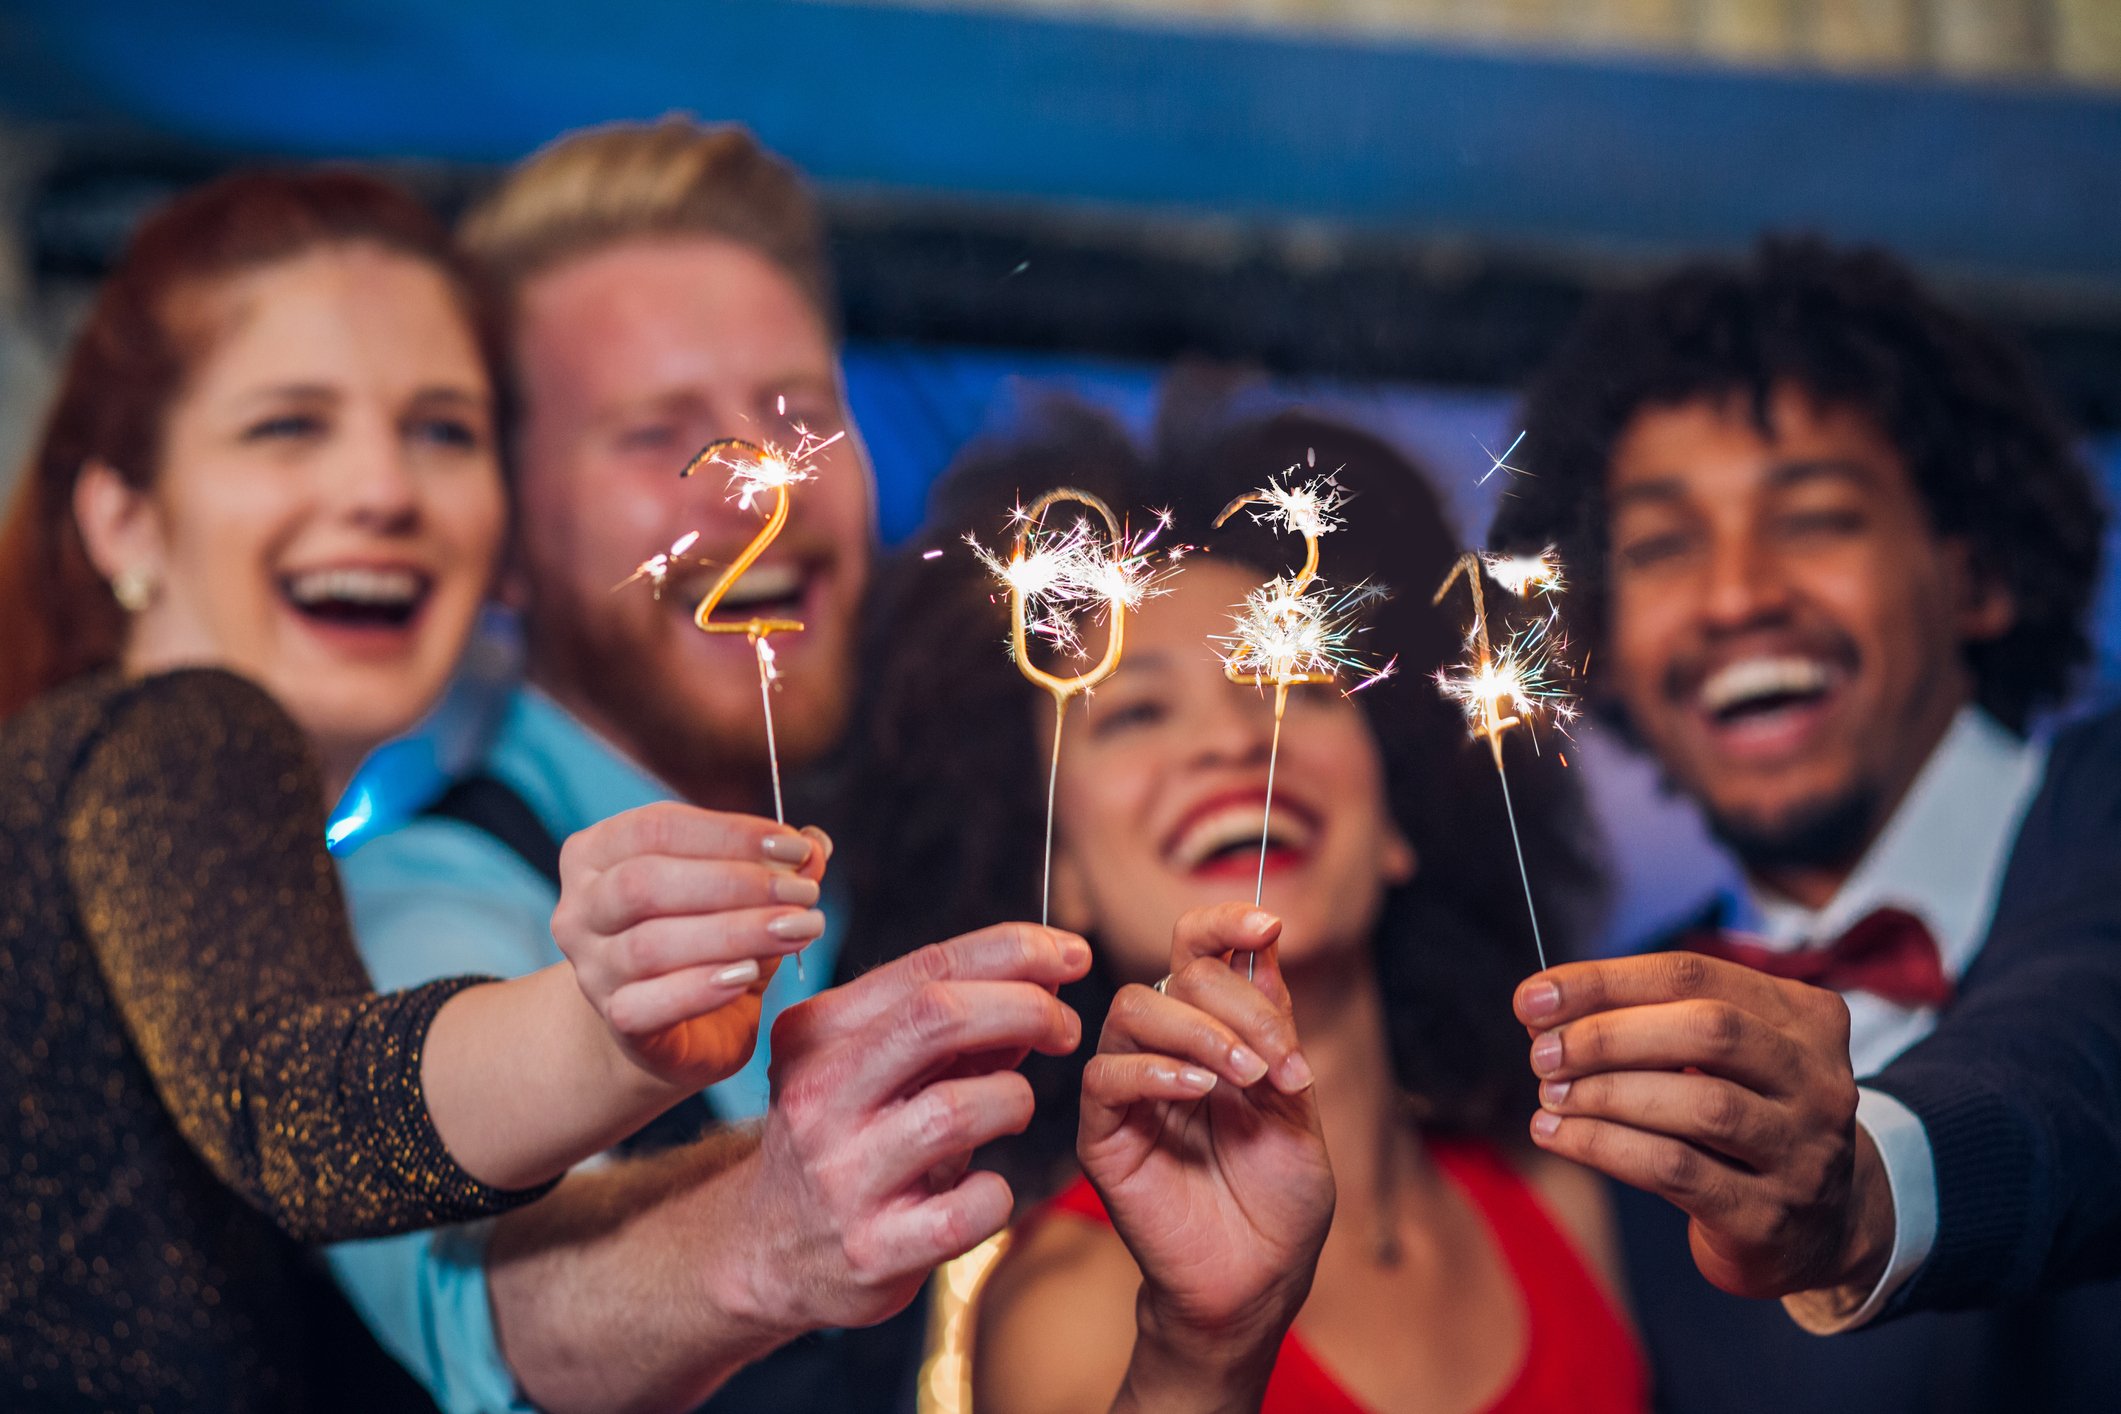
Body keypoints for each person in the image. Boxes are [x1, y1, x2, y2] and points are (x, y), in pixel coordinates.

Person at [0, 169, 849, 1411]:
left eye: (441, 429)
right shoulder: (181, 733)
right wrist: (607, 1023)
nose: (384, 490)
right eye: (287, 424)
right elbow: (292, 1102)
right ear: (124, 518)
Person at [325, 119, 1088, 1414]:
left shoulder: (938, 848)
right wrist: (762, 1225)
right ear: (502, 537)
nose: (759, 494)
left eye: (798, 419)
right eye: (654, 434)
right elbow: (492, 1308)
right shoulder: (420, 901)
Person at [837, 399, 1648, 1413]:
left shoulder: (1560, 1199)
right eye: (1134, 711)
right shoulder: (1069, 1309)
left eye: (1293, 686)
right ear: (1059, 874)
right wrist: (1202, 1355)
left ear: (1398, 816)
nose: (1234, 743)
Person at [1491, 236, 2121, 1408]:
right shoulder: (1588, 1043)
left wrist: (1868, 1186)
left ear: (1976, 575)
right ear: (1605, 646)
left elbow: (2082, 1046)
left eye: (1817, 518)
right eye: (1665, 546)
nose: (1736, 595)